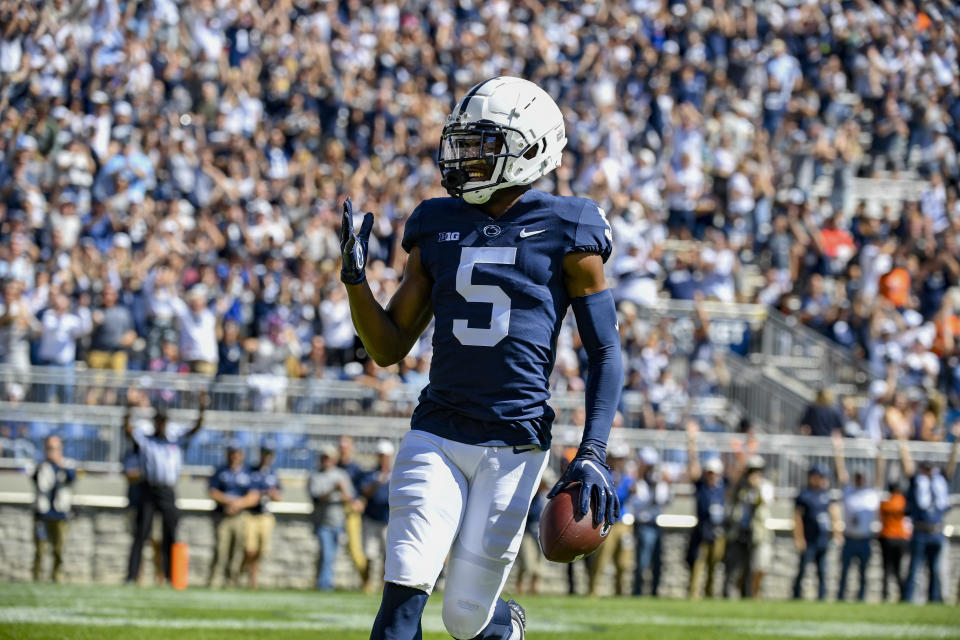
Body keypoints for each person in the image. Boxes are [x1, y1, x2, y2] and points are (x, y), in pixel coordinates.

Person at [341, 77, 622, 640]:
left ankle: (503, 626)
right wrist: (355, 282)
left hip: (513, 444)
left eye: (482, 145)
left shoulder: (568, 226)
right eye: (463, 143)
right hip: (436, 431)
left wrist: (592, 451)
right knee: (399, 606)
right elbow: (389, 346)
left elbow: (605, 351)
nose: (465, 157)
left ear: (532, 147)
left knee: (465, 618)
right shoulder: (436, 222)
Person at [124, 393, 206, 584]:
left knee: (171, 532)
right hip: (148, 489)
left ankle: (171, 576)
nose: (161, 425)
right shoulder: (147, 440)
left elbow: (196, 428)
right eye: (158, 421)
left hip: (168, 491)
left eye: (163, 421)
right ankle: (132, 576)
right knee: (141, 533)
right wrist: (129, 409)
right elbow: (128, 429)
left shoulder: (174, 439)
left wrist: (202, 409)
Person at [894, 419, 958, 604]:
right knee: (914, 569)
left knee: (935, 570)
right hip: (920, 530)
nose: (928, 471)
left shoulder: (940, 481)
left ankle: (934, 601)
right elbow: (908, 466)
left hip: (937, 530)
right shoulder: (917, 481)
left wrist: (956, 442)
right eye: (926, 467)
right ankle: (908, 600)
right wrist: (902, 443)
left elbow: (951, 466)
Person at [832, 433, 882, 602]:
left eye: (862, 477)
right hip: (850, 537)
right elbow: (841, 474)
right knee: (844, 570)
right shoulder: (849, 491)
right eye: (857, 477)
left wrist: (879, 453)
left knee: (863, 572)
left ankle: (861, 598)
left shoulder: (871, 493)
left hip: (865, 539)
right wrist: (839, 451)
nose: (859, 479)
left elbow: (880, 475)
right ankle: (840, 597)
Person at [207, 443, 259, 588]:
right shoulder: (220, 471)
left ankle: (231, 582)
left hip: (240, 516)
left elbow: (254, 496)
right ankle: (214, 580)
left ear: (242, 455)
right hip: (222, 515)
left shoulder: (248, 473)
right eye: (232, 452)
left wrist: (238, 504)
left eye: (238, 452)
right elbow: (212, 491)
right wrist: (229, 502)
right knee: (220, 548)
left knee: (236, 550)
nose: (235, 456)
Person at [587, 443, 636, 596]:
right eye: (617, 458)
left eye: (621, 459)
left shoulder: (627, 478)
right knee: (601, 559)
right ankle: (593, 590)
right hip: (606, 521)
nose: (619, 462)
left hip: (622, 523)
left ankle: (620, 592)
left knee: (624, 561)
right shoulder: (604, 475)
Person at [686, 421, 727, 600]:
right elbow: (693, 465)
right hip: (702, 530)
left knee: (714, 566)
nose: (711, 476)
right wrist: (692, 441)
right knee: (698, 564)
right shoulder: (701, 486)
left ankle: (710, 595)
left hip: (717, 531)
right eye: (709, 472)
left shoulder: (723, 487)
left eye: (714, 473)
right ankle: (694, 595)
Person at [724, 455, 773, 599]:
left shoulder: (765, 486)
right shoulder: (741, 487)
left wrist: (756, 486)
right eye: (751, 471)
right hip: (740, 531)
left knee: (755, 567)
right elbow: (730, 497)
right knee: (736, 567)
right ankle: (731, 596)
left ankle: (751, 596)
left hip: (757, 532)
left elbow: (764, 502)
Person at [791, 464, 841, 601]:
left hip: (822, 539)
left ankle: (822, 597)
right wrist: (799, 538)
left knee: (823, 571)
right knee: (802, 569)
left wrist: (837, 534)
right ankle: (796, 596)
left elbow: (834, 514)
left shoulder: (826, 494)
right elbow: (797, 518)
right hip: (808, 539)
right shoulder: (804, 495)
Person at [309, 445, 354, 591]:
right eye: (324, 457)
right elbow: (316, 497)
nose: (326, 460)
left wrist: (341, 491)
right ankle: (325, 585)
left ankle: (322, 582)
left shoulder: (341, 475)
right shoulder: (315, 476)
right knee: (326, 555)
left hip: (338, 522)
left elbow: (350, 498)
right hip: (323, 523)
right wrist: (333, 490)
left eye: (329, 458)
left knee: (330, 556)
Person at [32, 435, 76, 583]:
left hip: (60, 513)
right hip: (43, 513)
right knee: (40, 549)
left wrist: (60, 463)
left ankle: (57, 576)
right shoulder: (40, 465)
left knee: (59, 549)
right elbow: (34, 479)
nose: (52, 451)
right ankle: (37, 577)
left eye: (55, 448)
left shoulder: (67, 464)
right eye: (49, 448)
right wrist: (46, 462)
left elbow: (73, 478)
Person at [627, 447, 670, 597]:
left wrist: (660, 485)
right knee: (642, 561)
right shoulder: (637, 481)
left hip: (655, 523)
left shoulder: (657, 481)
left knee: (657, 561)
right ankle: (638, 591)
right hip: (643, 523)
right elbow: (639, 501)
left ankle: (654, 591)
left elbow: (663, 501)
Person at [245, 442, 282, 589]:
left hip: (266, 515)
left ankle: (253, 572)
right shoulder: (251, 471)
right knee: (249, 548)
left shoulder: (273, 473)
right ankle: (252, 576)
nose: (267, 457)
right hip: (251, 514)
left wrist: (273, 495)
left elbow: (279, 496)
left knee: (262, 549)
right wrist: (262, 493)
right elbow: (249, 494)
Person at [360, 439, 394, 594]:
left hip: (388, 519)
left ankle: (382, 583)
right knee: (369, 553)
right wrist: (378, 482)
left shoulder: (396, 474)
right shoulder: (371, 474)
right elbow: (364, 492)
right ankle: (367, 582)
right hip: (371, 518)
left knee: (386, 555)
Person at [512, 470, 554, 596]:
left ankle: (533, 589)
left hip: (539, 534)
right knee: (526, 564)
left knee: (538, 564)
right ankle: (519, 588)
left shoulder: (544, 497)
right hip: (527, 533)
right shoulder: (530, 496)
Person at [336, 435, 369, 583]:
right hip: (335, 510)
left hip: (350, 510)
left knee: (355, 548)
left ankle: (365, 581)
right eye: (341, 447)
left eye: (346, 447)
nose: (343, 450)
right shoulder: (334, 466)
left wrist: (360, 501)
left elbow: (363, 490)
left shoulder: (356, 468)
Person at [878, 478, 911, 602]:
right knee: (898, 569)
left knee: (886, 568)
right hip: (901, 538)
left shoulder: (885, 503)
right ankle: (902, 594)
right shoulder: (904, 502)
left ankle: (885, 595)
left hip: (886, 537)